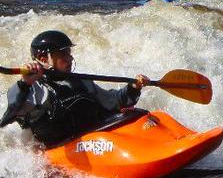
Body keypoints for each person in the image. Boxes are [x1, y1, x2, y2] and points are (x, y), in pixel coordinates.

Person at [0, 31, 149, 146]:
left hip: (97, 140)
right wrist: (25, 83)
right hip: (63, 148)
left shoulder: (81, 81)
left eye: (69, 53)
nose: (70, 58)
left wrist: (134, 87)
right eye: (63, 54)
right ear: (44, 59)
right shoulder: (33, 89)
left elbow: (114, 102)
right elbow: (10, 113)